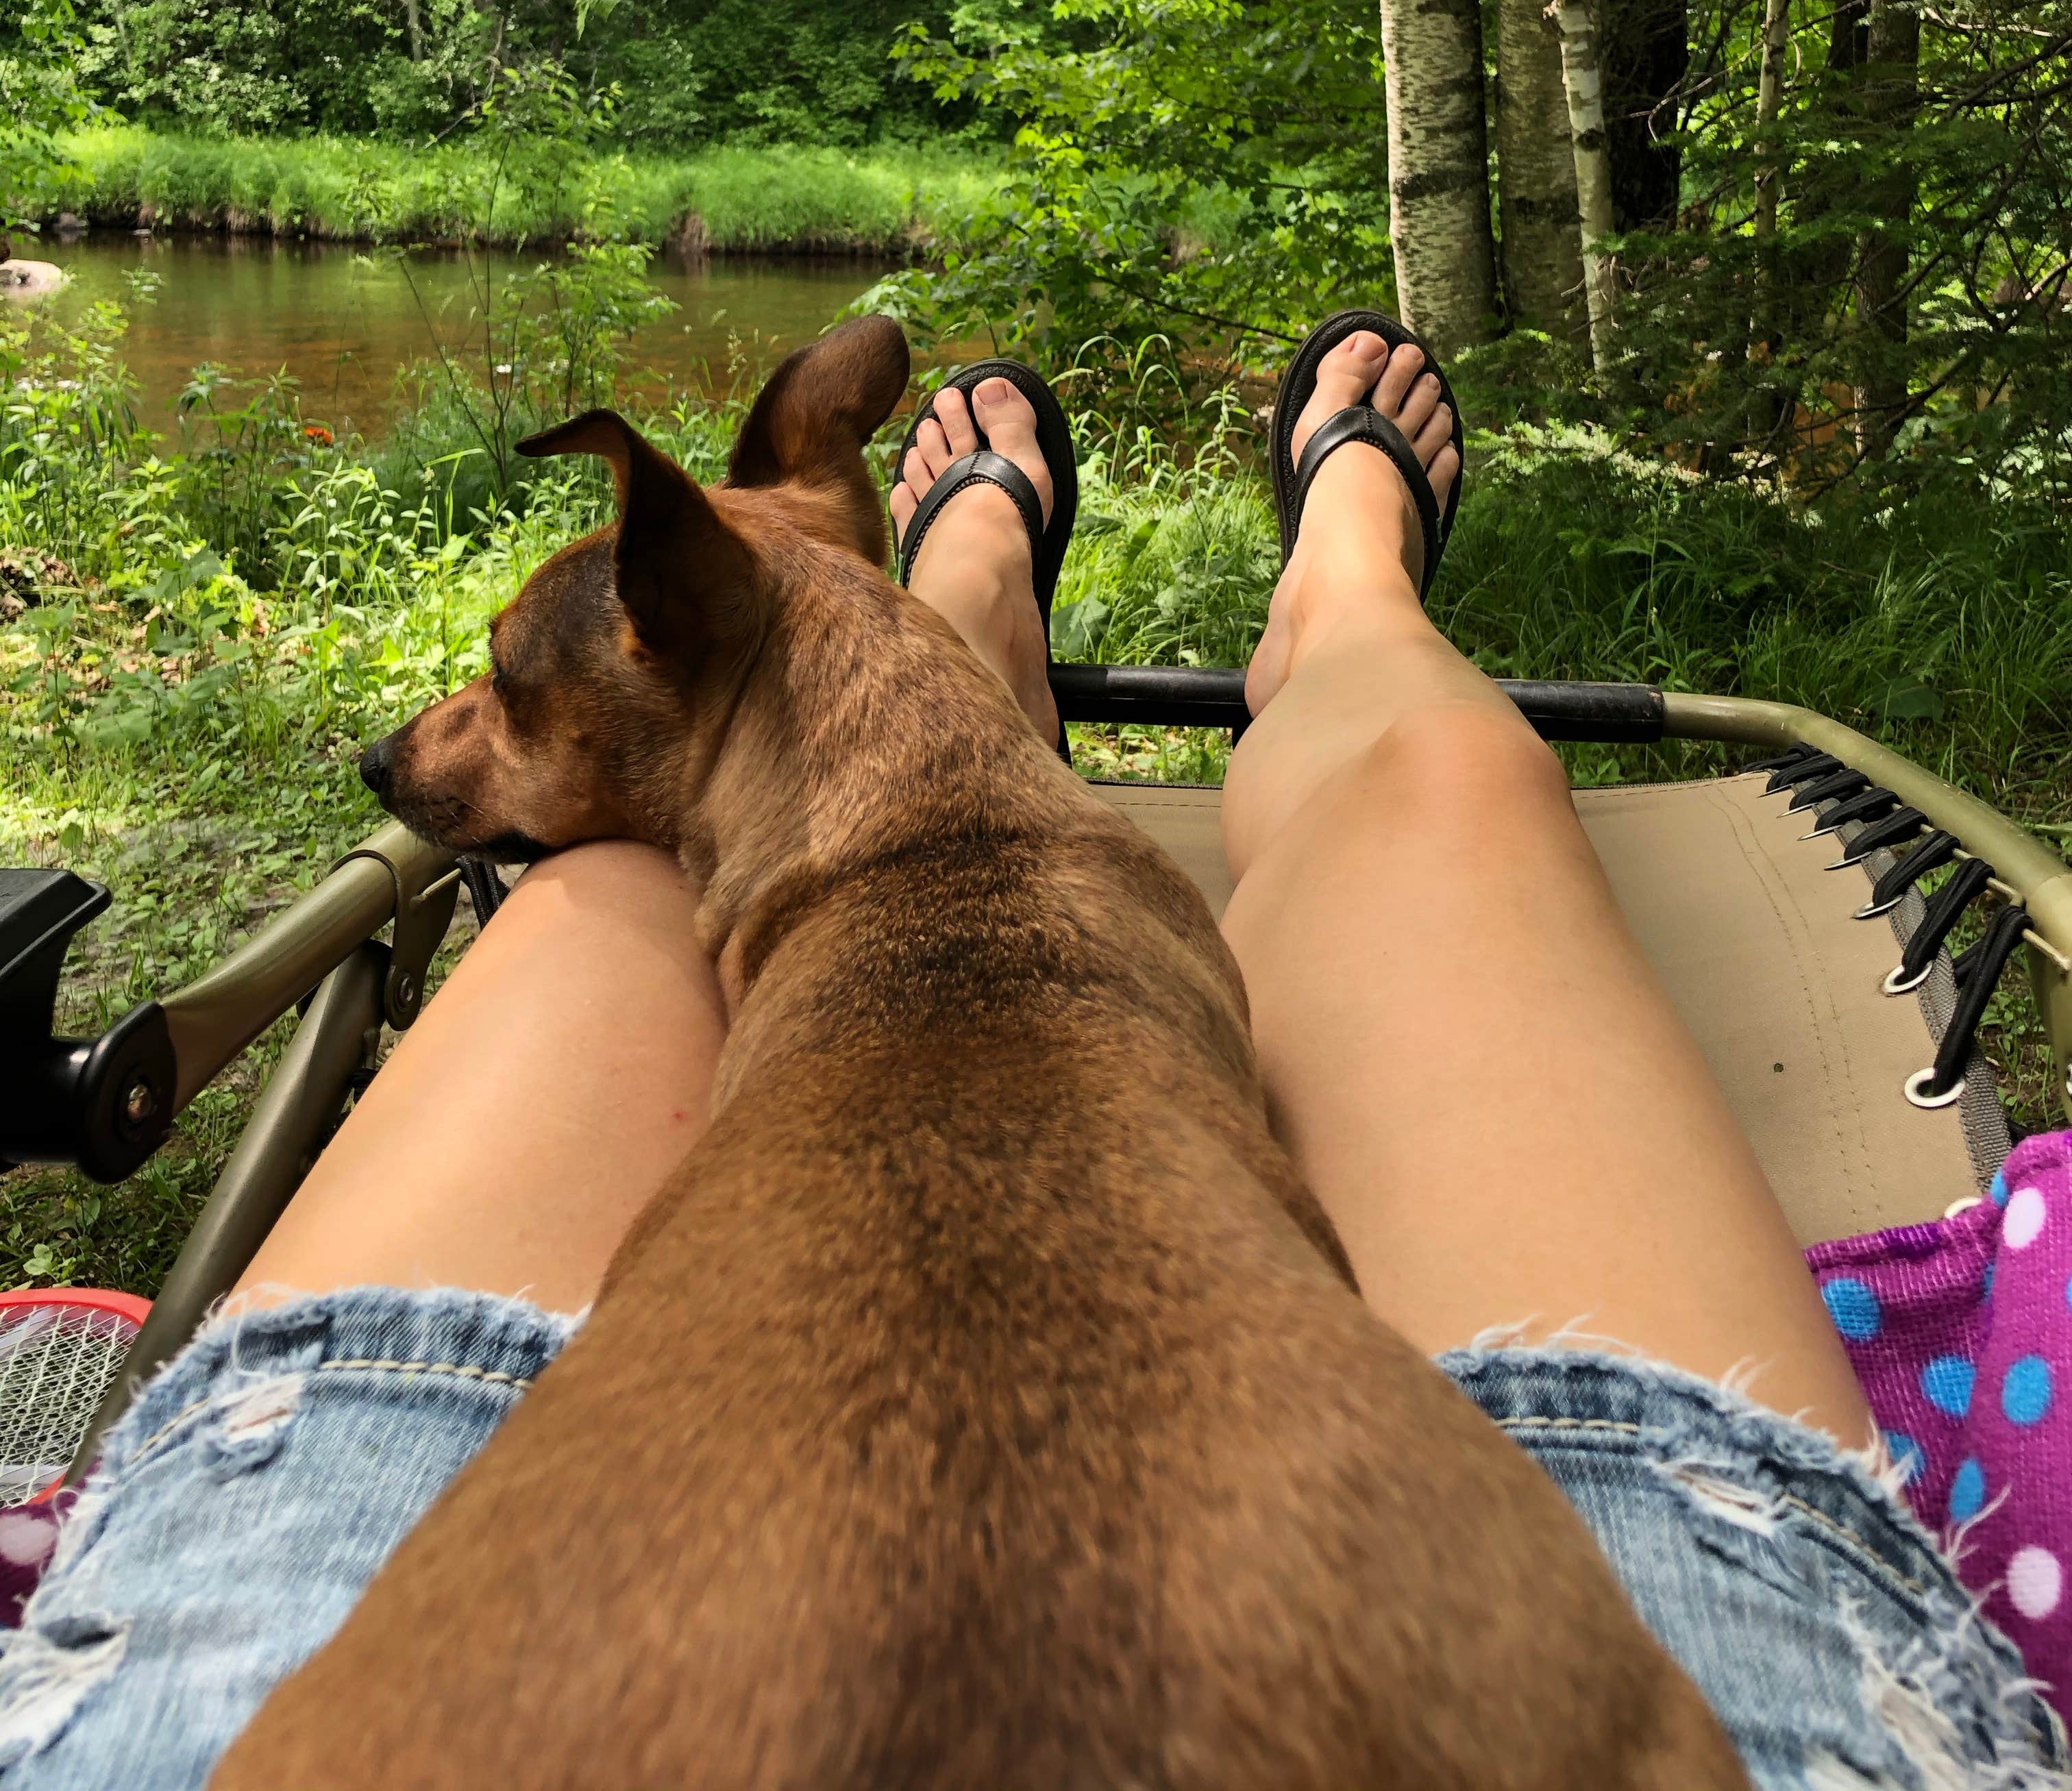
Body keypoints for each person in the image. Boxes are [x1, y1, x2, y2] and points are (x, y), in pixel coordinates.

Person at [0, 330, 2058, 1790]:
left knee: (600, 909)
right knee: (1441, 787)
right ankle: (1326, 603)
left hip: (306, 1616)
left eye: (493, 704)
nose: (437, 746)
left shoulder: (651, 673)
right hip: (1533, 1647)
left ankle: (969, 597)